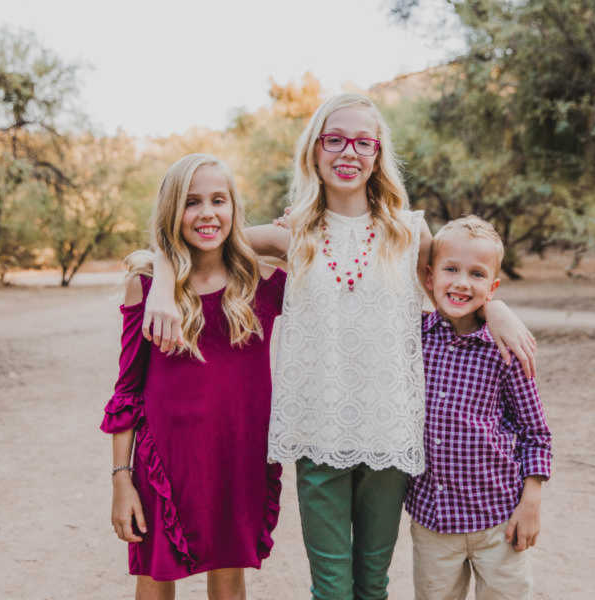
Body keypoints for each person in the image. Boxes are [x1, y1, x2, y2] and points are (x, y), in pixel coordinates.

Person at [144, 94, 537, 599]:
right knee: (331, 587)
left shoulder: (410, 232)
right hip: (319, 432)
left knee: (372, 584)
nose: (348, 152)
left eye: (362, 142)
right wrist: (159, 282)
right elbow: (196, 235)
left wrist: (496, 310)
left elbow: (458, 286)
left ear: (377, 154)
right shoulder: (293, 234)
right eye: (334, 140)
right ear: (314, 151)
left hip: (390, 434)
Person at [99, 154, 285, 600]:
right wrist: (121, 480)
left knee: (228, 579)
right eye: (191, 201)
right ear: (171, 211)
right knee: (156, 578)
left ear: (234, 208)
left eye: (219, 200)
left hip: (236, 455)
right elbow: (127, 389)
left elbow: (294, 238)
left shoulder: (260, 280)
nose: (206, 213)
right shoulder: (146, 288)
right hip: (166, 461)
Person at [405, 215, 552, 600]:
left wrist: (531, 502)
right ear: (428, 276)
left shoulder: (506, 347)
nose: (461, 282)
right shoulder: (412, 336)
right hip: (433, 521)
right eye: (450, 269)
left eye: (476, 274)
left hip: (498, 521)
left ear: (493, 286)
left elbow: (536, 433)